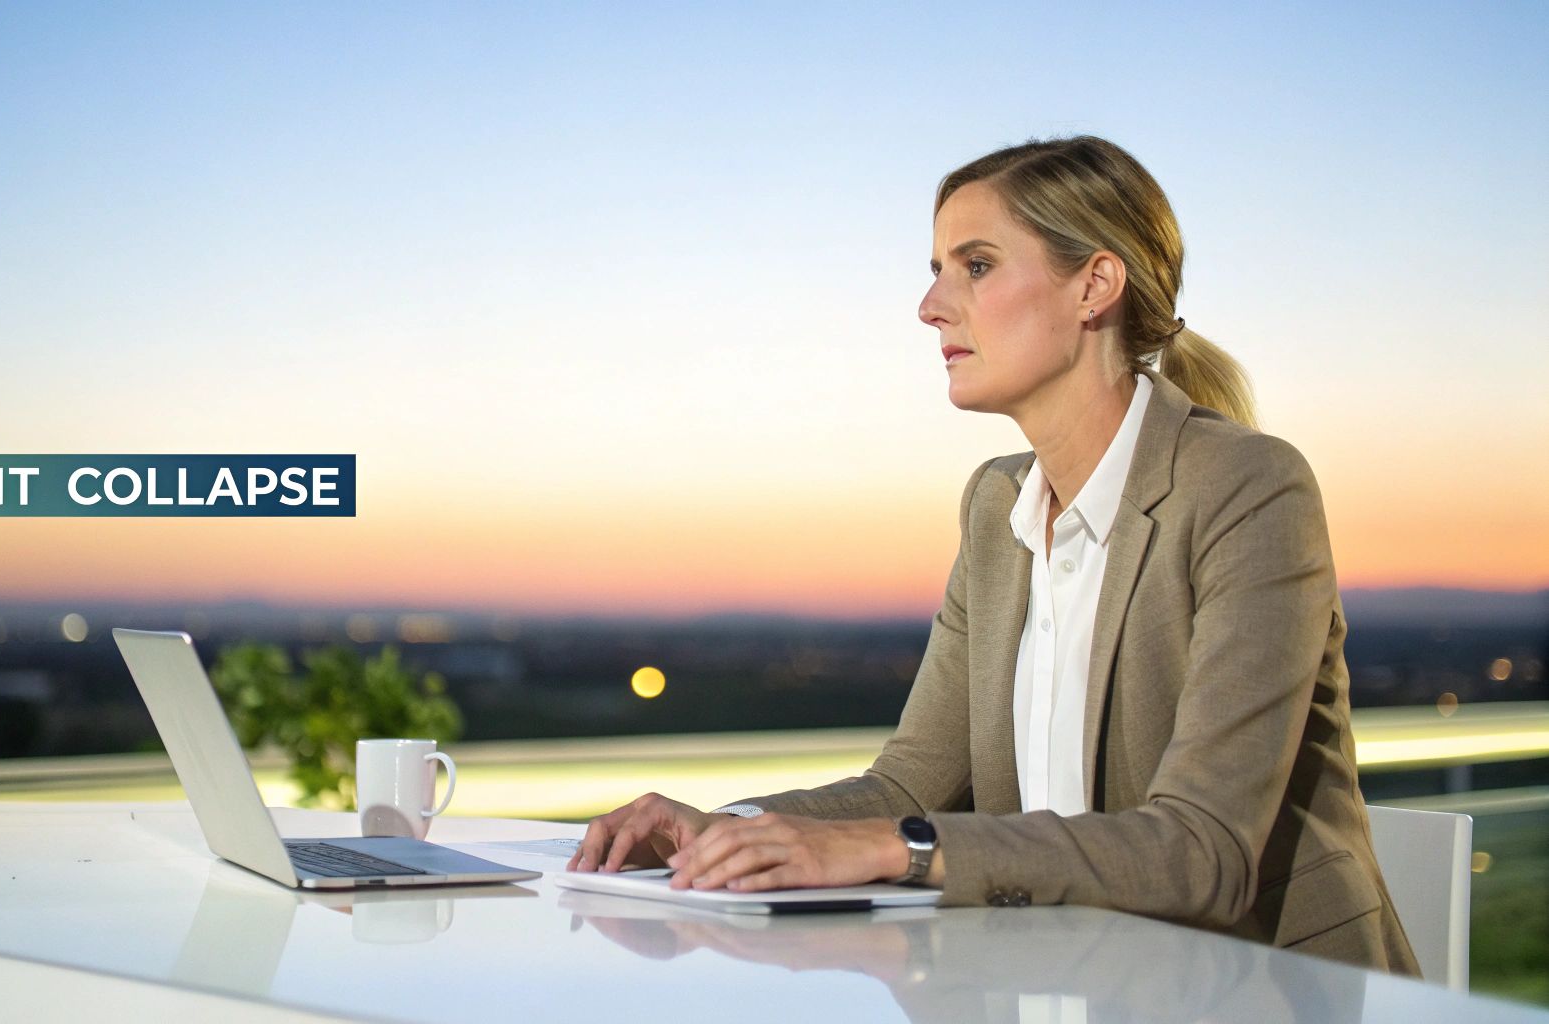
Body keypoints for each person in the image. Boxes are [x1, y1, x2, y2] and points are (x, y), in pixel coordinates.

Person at [566, 135, 1420, 975]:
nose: (931, 306)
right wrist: (729, 829)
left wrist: (889, 851)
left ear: (1094, 285)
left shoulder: (1248, 486)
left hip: (1258, 994)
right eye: (937, 270)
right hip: (1055, 982)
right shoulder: (995, 505)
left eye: (975, 266)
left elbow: (1202, 852)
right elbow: (909, 788)